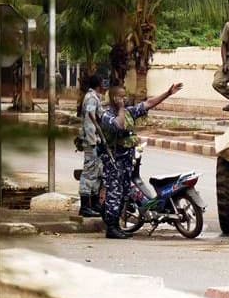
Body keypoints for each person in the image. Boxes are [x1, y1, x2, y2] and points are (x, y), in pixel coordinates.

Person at [99, 83, 183, 239]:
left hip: (126, 162)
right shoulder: (107, 116)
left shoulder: (129, 112)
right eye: (121, 97)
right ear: (114, 98)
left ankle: (116, 226)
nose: (125, 99)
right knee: (114, 194)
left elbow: (148, 104)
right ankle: (111, 228)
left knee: (124, 193)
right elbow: (119, 125)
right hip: (114, 162)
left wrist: (168, 93)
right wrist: (121, 108)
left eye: (125, 96)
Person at [78, 74, 106, 217]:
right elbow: (90, 121)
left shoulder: (96, 97)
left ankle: (95, 204)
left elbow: (101, 117)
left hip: (97, 142)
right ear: (98, 84)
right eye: (103, 82)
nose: (105, 85)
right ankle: (84, 206)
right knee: (89, 172)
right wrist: (92, 142)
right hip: (91, 142)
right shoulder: (90, 98)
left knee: (97, 172)